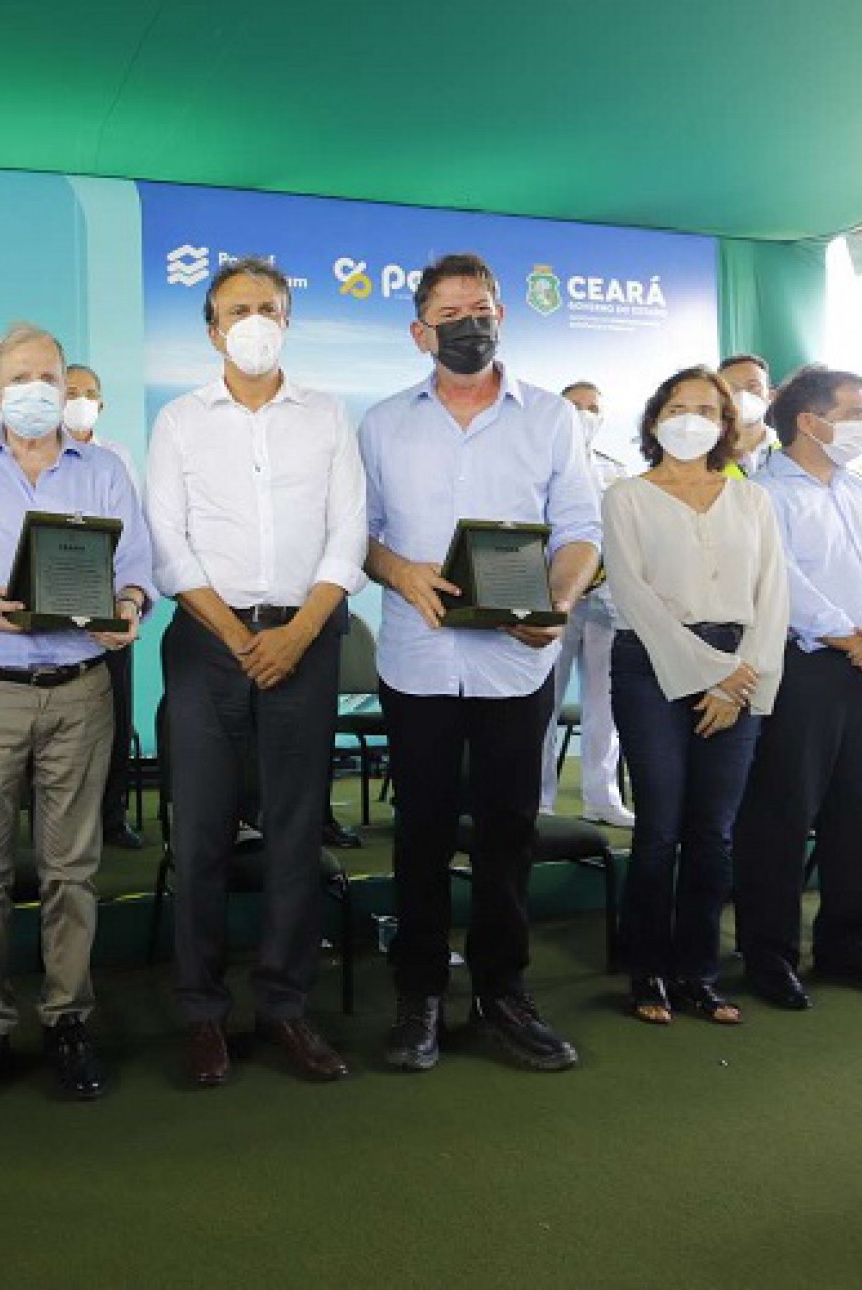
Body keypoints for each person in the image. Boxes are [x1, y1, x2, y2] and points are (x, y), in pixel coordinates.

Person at [0, 325, 154, 1108]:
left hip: (80, 689)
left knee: (72, 869)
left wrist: (130, 607)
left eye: (50, 375)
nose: (36, 389)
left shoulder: (105, 470)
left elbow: (136, 567)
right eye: (21, 377)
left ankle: (67, 1017)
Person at [360, 253, 600, 1075]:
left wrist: (560, 604)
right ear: (420, 330)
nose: (472, 323)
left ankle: (503, 993)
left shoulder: (550, 418)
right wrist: (400, 571)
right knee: (420, 837)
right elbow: (358, 537)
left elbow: (578, 530)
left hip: (517, 667)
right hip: (418, 662)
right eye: (453, 312)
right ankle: (420, 996)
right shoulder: (383, 422)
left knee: (509, 834)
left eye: (484, 308)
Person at [146, 255, 367, 1088]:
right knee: (200, 833)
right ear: (211, 329)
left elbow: (348, 533)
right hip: (210, 644)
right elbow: (170, 542)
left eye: (268, 306)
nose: (254, 321)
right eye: (237, 309)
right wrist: (240, 635)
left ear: (288, 319)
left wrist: (301, 630)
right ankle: (202, 1012)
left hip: (305, 643)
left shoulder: (328, 417)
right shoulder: (178, 422)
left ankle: (284, 1005)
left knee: (296, 831)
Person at [732, 367, 862, 1008]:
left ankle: (851, 947)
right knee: (782, 816)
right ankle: (769, 956)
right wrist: (859, 642)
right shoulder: (763, 493)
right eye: (853, 412)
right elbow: (782, 584)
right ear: (810, 421)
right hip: (806, 669)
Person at [602, 366, 788, 1027]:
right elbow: (633, 597)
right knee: (659, 831)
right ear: (655, 420)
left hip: (739, 673)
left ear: (726, 424)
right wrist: (713, 674)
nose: (692, 418)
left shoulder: (752, 500)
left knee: (713, 835)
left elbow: (774, 598)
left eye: (707, 409)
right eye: (678, 406)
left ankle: (698, 974)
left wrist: (742, 679)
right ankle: (646, 970)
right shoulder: (627, 496)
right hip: (651, 669)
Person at [539, 380, 633, 827]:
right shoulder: (537, 465)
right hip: (551, 598)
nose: (583, 414)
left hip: (606, 601)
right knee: (542, 703)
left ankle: (603, 796)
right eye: (574, 406)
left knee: (606, 703)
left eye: (592, 407)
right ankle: (539, 798)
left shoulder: (618, 472)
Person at [62, 362, 145, 850]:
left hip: (109, 600)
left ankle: (112, 819)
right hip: (55, 599)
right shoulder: (36, 455)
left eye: (88, 393)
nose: (79, 400)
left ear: (101, 404)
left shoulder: (116, 458)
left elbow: (132, 533)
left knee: (114, 714)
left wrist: (127, 598)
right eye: (70, 391)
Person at [718, 354, 774, 476]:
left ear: (770, 395)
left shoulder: (790, 448)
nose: (743, 395)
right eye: (731, 388)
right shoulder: (707, 454)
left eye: (753, 387)